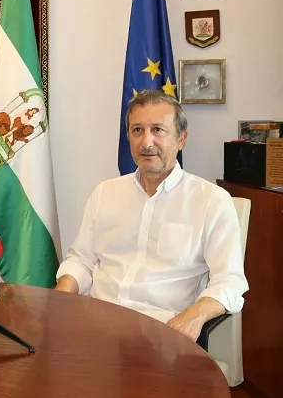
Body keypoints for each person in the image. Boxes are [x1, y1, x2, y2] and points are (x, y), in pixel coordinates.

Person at [55, 90, 248, 341]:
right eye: (137, 130)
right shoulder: (105, 193)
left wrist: (194, 316)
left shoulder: (211, 201)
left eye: (158, 130)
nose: (146, 142)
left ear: (181, 139)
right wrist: (58, 300)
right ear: (128, 137)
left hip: (161, 332)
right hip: (96, 325)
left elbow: (230, 282)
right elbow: (81, 260)